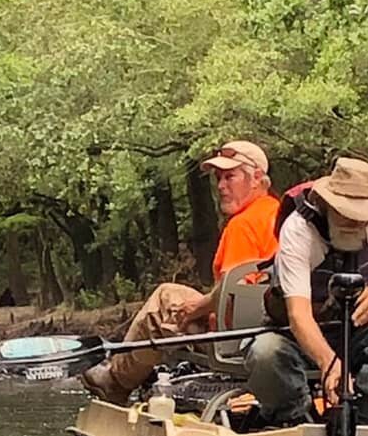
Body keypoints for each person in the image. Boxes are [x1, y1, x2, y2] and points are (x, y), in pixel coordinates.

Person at [247, 157, 368, 427]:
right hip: (297, 335)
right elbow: (298, 316)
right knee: (265, 353)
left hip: (359, 332)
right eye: (345, 211)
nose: (354, 220)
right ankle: (294, 419)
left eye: (361, 214)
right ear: (326, 205)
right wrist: (330, 363)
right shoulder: (298, 230)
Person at [81, 139, 280, 404]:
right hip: (274, 335)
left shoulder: (242, 226)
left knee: (166, 298)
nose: (221, 186)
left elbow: (233, 292)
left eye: (230, 177)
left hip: (232, 341)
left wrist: (197, 308)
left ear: (257, 178)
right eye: (218, 178)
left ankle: (115, 380)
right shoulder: (280, 214)